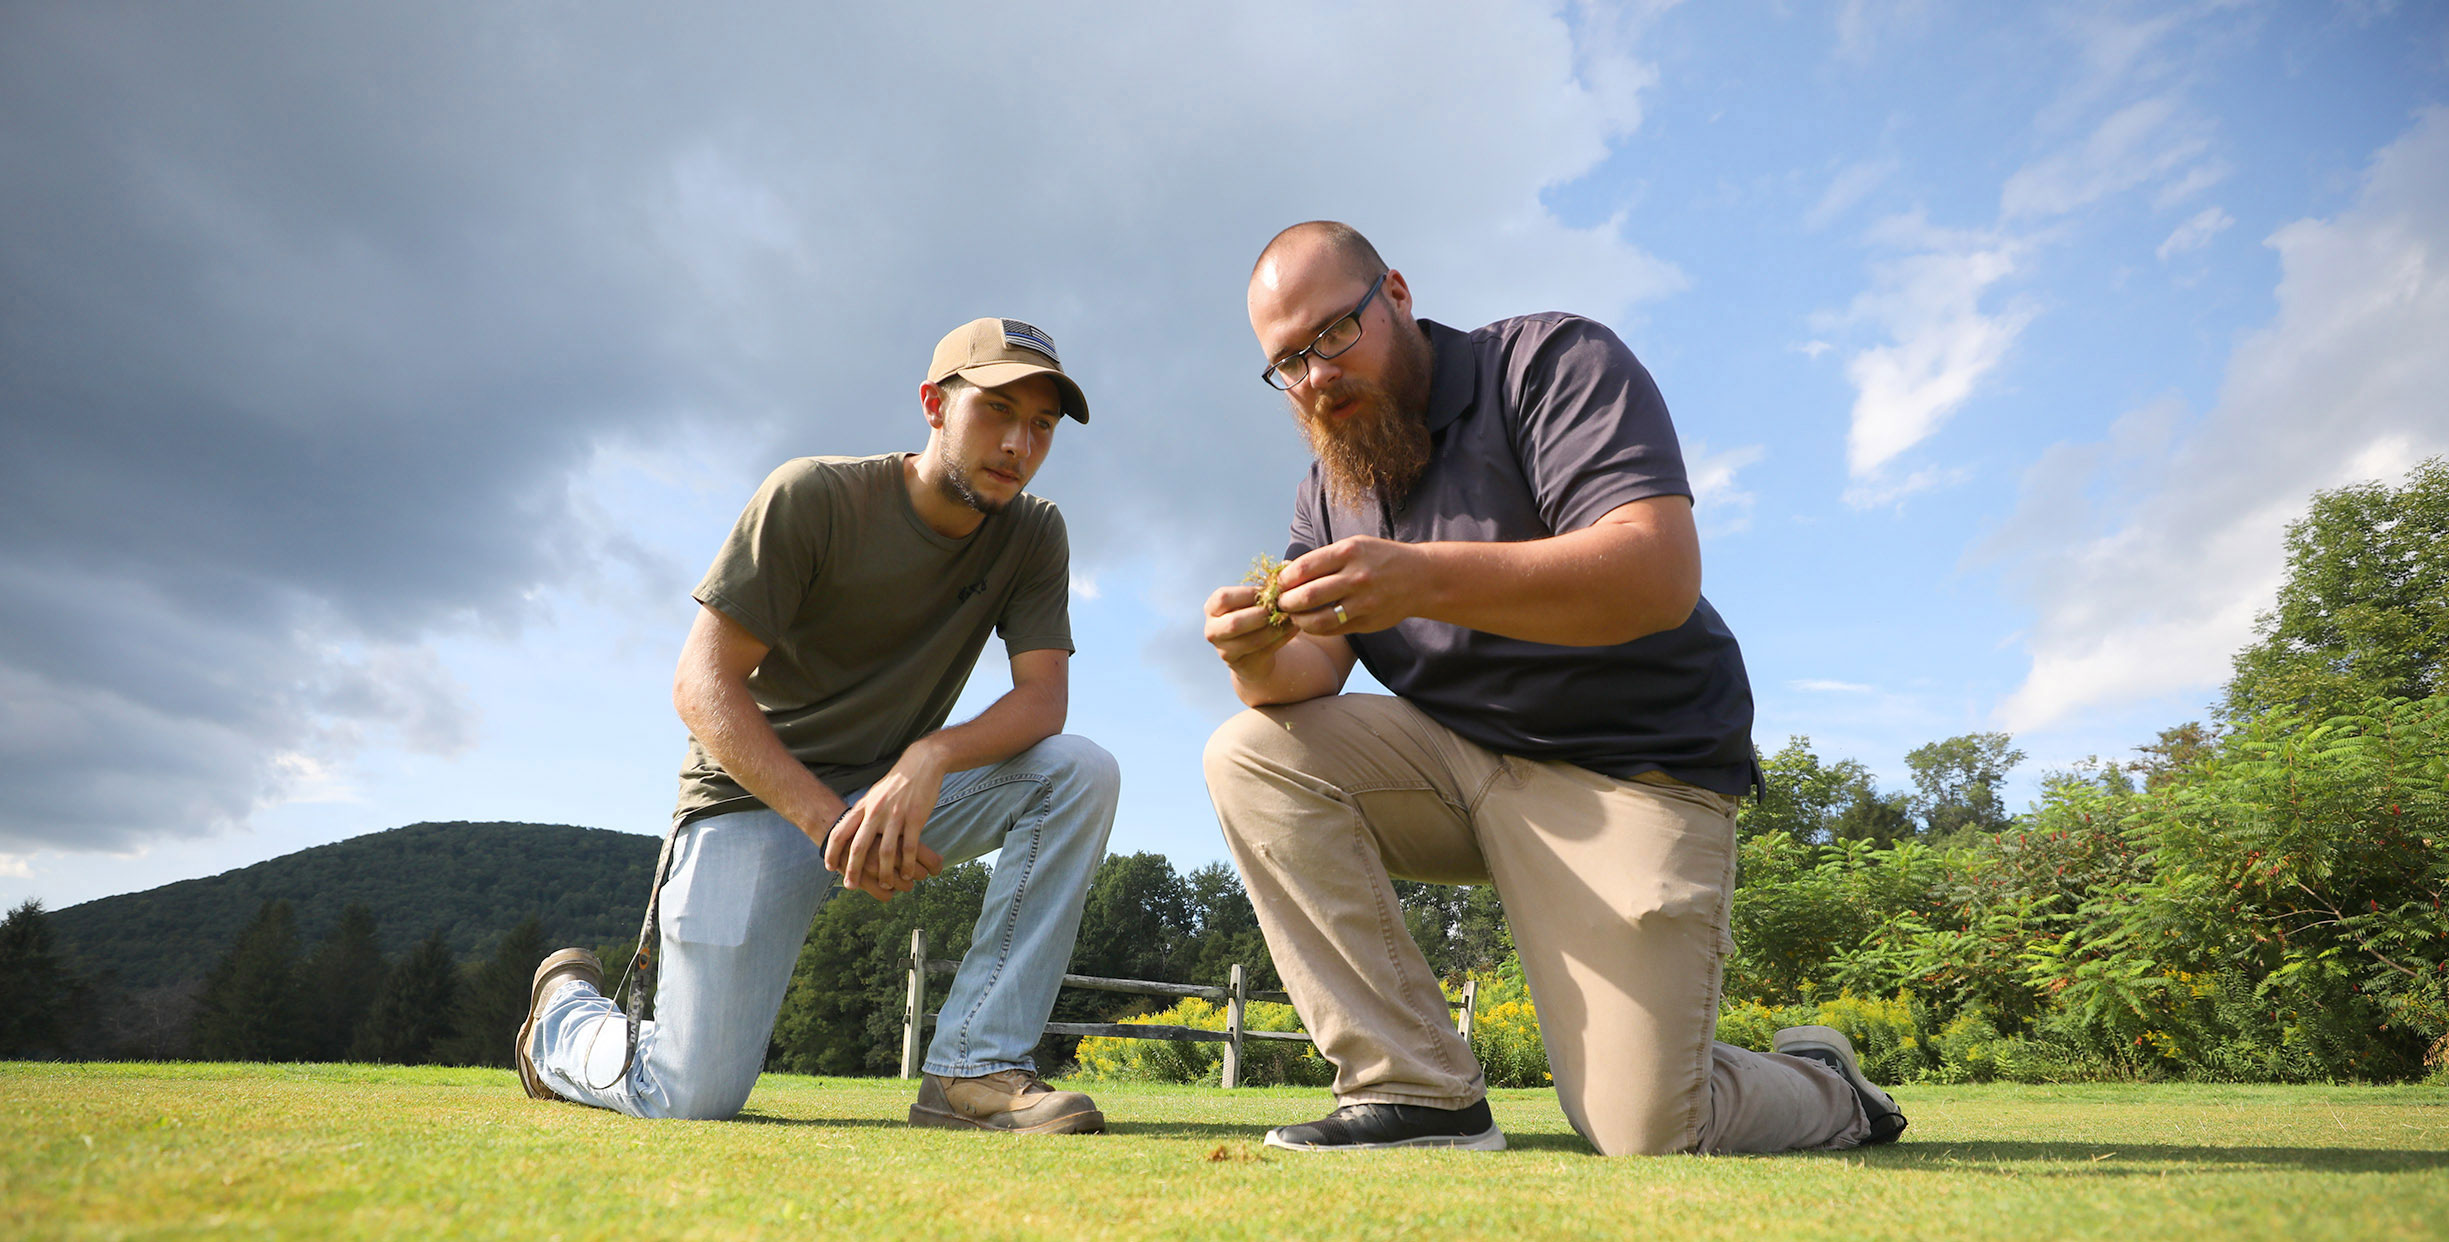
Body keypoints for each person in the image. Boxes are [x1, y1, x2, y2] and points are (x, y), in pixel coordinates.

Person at [1200, 222, 1908, 1156]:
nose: (1317, 375)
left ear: (1398, 295)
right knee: (1251, 753)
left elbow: (1656, 573)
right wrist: (1251, 653)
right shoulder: (1330, 488)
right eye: (1287, 362)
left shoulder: (1546, 365)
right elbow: (1311, 674)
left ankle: (1826, 1086)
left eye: (1334, 333)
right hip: (1462, 772)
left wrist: (1419, 575)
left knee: (1651, 1129)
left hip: (1633, 775)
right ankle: (1415, 1089)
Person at [517, 318, 1119, 1133]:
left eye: (1042, 425)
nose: (1019, 443)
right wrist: (829, 824)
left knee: (1076, 769)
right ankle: (562, 1021)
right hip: (751, 802)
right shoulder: (812, 495)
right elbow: (701, 685)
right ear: (934, 406)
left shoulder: (1034, 533)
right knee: (690, 1096)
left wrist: (931, 755)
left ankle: (972, 1069)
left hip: (889, 799)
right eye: (997, 410)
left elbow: (1043, 700)